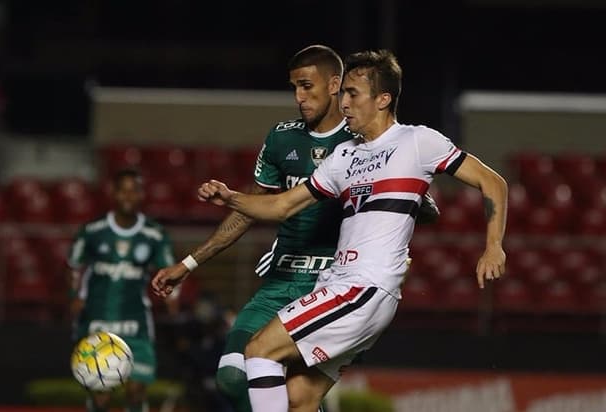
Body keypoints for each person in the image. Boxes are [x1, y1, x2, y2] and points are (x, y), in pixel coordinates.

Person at [191, 49, 508, 412]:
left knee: (259, 352)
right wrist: (230, 198)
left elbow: (492, 182)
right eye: (343, 93)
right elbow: (282, 205)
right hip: (341, 284)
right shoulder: (344, 155)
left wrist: (493, 246)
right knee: (298, 398)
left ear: (383, 99)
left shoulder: (417, 141)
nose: (343, 102)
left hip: (363, 286)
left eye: (353, 93)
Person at [151, 45, 439, 412]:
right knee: (232, 376)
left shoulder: (365, 141)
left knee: (292, 391)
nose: (299, 98)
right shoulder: (282, 138)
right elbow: (253, 209)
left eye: (307, 86)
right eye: (294, 88)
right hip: (279, 280)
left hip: (329, 284)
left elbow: (420, 207)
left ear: (336, 85)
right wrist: (188, 264)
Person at [67, 168, 178, 412]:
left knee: (136, 390)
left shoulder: (154, 235)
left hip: (135, 322)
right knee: (100, 393)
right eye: (123, 190)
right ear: (114, 194)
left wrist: (173, 297)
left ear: (141, 195)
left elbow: (170, 271)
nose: (128, 196)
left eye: (134, 190)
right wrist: (75, 296)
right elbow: (75, 265)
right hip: (97, 321)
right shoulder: (93, 231)